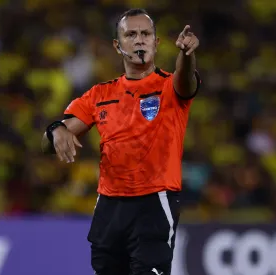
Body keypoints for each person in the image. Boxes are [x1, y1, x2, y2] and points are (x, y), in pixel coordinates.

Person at [41, 8, 200, 275]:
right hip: (109, 206)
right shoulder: (99, 94)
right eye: (131, 34)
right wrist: (56, 130)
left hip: (154, 203)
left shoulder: (169, 86)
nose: (139, 40)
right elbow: (48, 142)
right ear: (118, 45)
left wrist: (186, 55)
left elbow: (186, 80)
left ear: (156, 42)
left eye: (146, 34)